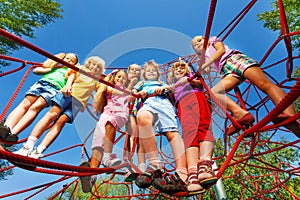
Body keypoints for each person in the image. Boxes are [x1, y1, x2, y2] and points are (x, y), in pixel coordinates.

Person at [191, 36, 299, 137]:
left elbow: (221, 50)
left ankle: (289, 114)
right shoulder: (204, 58)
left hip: (235, 60)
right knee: (213, 93)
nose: (198, 43)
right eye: (195, 45)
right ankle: (240, 114)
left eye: (200, 40)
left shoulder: (213, 40)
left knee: (263, 84)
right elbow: (206, 71)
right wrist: (200, 67)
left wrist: (205, 64)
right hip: (227, 72)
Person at [13, 56, 105, 158]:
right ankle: (28, 146)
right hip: (68, 93)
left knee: (61, 122)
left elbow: (104, 89)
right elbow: (71, 75)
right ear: (88, 64)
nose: (95, 67)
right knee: (52, 115)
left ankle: (38, 151)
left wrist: (116, 82)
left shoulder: (96, 80)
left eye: (98, 67)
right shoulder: (81, 69)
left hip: (78, 103)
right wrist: (68, 86)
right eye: (93, 64)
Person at [152, 61, 217, 195]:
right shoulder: (173, 87)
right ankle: (193, 171)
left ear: (187, 70)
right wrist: (161, 90)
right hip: (182, 103)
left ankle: (205, 164)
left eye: (182, 68)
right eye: (177, 69)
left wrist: (189, 80)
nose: (180, 70)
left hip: (197, 97)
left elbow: (201, 85)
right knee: (189, 134)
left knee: (204, 127)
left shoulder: (193, 76)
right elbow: (169, 98)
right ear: (172, 74)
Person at [132, 60, 187, 194]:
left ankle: (182, 171)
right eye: (148, 71)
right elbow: (133, 92)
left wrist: (165, 89)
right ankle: (155, 163)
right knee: (142, 117)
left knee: (171, 132)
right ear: (144, 75)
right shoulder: (141, 84)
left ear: (158, 74)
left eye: (154, 71)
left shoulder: (162, 83)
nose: (151, 72)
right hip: (149, 101)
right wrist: (140, 93)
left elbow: (172, 92)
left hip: (163, 103)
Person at [0, 53, 78, 143]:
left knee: (35, 108)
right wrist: (51, 67)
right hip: (42, 83)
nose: (68, 61)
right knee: (25, 104)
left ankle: (13, 133)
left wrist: (68, 86)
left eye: (72, 61)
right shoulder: (54, 66)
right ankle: (7, 127)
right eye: (67, 58)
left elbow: (70, 80)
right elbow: (36, 71)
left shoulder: (71, 71)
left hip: (54, 89)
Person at [80, 69, 129, 193]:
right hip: (106, 113)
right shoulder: (106, 87)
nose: (120, 79)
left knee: (110, 124)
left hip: (120, 114)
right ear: (114, 77)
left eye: (123, 78)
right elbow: (97, 84)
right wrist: (100, 77)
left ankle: (107, 157)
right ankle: (92, 174)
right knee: (97, 142)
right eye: (118, 76)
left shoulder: (127, 91)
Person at [124, 64, 147, 181]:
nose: (135, 71)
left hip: (138, 109)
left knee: (139, 137)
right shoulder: (123, 80)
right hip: (127, 110)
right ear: (128, 70)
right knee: (131, 136)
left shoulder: (142, 83)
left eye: (138, 70)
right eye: (132, 69)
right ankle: (129, 165)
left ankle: (141, 165)